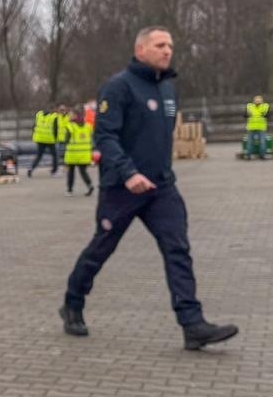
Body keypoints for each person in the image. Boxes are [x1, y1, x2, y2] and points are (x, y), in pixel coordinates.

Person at [59, 26, 239, 350]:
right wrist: (128, 173)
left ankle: (192, 323)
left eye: (170, 45)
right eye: (159, 45)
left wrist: (161, 173)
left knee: (177, 249)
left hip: (161, 188)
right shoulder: (118, 88)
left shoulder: (168, 88)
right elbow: (105, 137)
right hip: (122, 188)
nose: (167, 50)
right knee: (102, 248)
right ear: (140, 49)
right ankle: (73, 302)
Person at [63, 114, 95, 195]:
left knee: (71, 172)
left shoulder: (70, 127)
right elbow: (93, 139)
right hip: (84, 154)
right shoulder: (88, 126)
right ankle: (90, 185)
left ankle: (69, 190)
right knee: (83, 172)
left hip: (72, 154)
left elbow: (66, 140)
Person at [29, 106, 61, 176]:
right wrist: (56, 139)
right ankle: (54, 171)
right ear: (53, 109)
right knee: (55, 155)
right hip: (49, 140)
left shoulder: (39, 115)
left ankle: (31, 168)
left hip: (39, 139)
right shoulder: (54, 117)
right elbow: (55, 130)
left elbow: (34, 126)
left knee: (39, 156)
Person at [244, 94, 271, 158]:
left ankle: (254, 155)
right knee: (258, 142)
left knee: (257, 142)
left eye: (258, 102)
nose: (257, 103)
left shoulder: (264, 107)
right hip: (254, 127)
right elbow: (245, 115)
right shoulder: (250, 107)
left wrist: (265, 115)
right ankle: (257, 155)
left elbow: (269, 115)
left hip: (258, 127)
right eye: (257, 102)